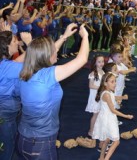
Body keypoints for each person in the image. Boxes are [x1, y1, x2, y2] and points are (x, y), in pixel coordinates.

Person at [17, 23, 89, 159]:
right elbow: (82, 59)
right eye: (53, 50)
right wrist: (84, 37)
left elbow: (41, 53)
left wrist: (65, 36)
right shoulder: (48, 76)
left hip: (23, 139)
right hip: (41, 144)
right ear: (47, 55)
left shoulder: (24, 71)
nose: (57, 51)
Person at [0, 31, 31, 160]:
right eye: (14, 41)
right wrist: (30, 43)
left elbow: (18, 60)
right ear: (6, 46)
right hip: (5, 113)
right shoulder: (9, 67)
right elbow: (37, 64)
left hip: (5, 112)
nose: (18, 43)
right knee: (7, 146)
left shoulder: (5, 63)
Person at [92, 72, 133, 160]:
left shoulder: (108, 92)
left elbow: (113, 98)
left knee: (106, 140)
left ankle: (101, 157)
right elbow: (113, 110)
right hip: (108, 119)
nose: (115, 84)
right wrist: (126, 116)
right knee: (116, 141)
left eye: (115, 81)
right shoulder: (106, 94)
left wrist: (122, 97)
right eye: (112, 82)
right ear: (105, 83)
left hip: (106, 117)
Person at [85, 55, 105, 137]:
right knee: (95, 114)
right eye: (99, 62)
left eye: (102, 61)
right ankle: (91, 130)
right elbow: (90, 86)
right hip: (95, 97)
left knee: (99, 113)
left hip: (100, 96)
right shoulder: (93, 73)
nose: (101, 63)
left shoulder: (102, 72)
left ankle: (95, 129)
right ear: (95, 63)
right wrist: (101, 87)